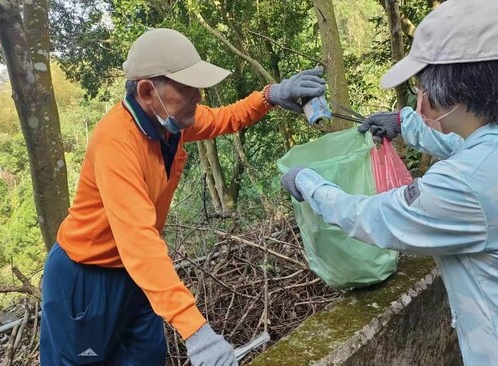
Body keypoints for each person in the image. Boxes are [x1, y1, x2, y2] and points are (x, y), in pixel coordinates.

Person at [39, 28, 326, 365]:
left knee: (146, 358)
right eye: (187, 87)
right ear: (147, 90)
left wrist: (271, 95)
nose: (198, 95)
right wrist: (197, 332)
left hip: (137, 276)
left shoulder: (174, 121)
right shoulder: (116, 142)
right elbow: (139, 241)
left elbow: (225, 118)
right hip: (86, 279)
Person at [281, 0, 498, 365]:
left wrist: (309, 184)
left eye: (423, 87)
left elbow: (373, 216)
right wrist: (406, 125)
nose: (421, 99)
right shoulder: (484, 151)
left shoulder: (462, 185)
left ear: (459, 91)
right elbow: (471, 145)